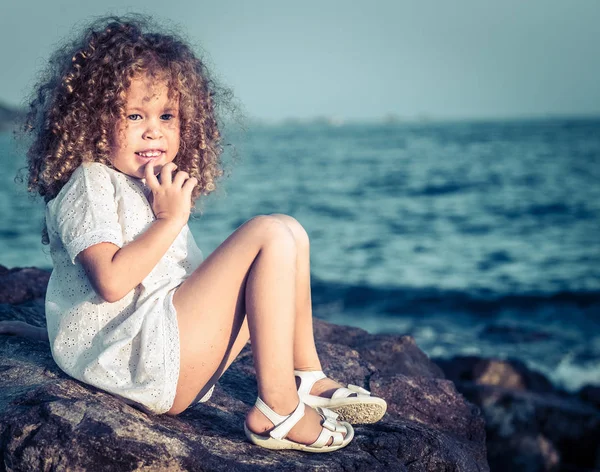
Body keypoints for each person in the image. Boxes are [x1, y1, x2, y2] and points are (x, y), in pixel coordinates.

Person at [1, 15, 386, 452]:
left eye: (167, 115)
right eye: (133, 115)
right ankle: (277, 410)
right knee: (268, 233)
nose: (154, 130)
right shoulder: (89, 183)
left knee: (290, 231)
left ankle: (305, 375)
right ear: (90, 120)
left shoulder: (146, 184)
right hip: (141, 363)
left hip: (163, 351)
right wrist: (169, 221)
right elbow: (109, 283)